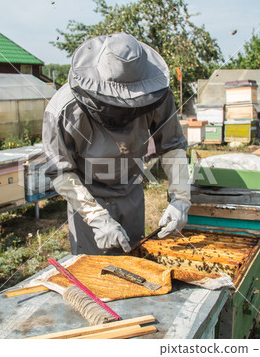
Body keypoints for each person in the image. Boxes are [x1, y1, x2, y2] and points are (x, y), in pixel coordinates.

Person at [43, 32, 191, 255]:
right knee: (94, 275)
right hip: (87, 195)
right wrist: (96, 217)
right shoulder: (62, 110)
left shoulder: (156, 94)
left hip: (131, 189)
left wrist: (180, 197)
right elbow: (61, 172)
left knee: (133, 265)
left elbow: (172, 146)